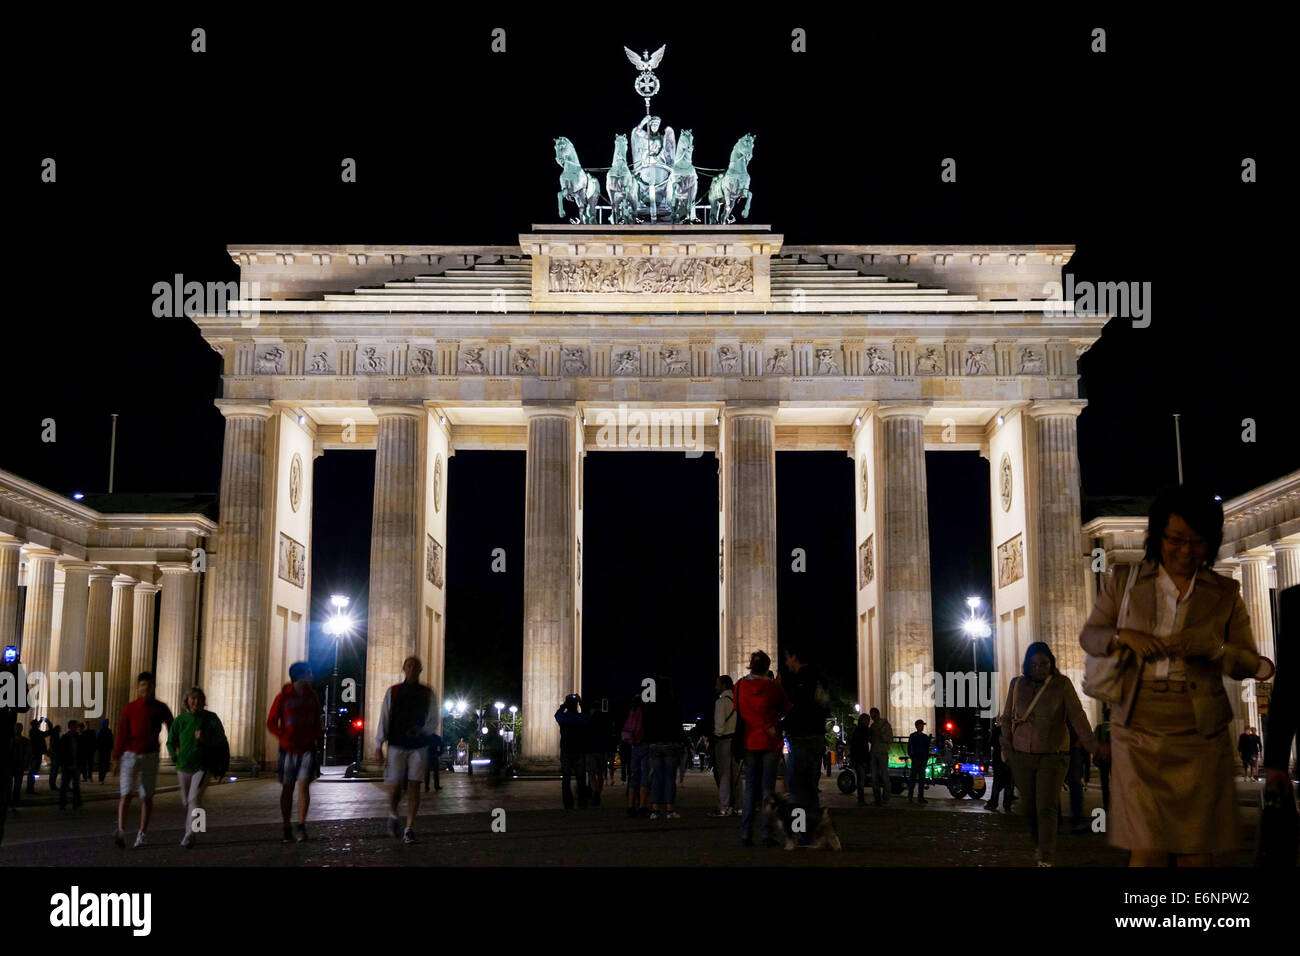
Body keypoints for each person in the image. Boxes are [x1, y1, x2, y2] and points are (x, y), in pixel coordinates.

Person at [1080, 485, 1264, 866]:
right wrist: (1122, 636)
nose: (1185, 551)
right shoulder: (1124, 580)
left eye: (1196, 542)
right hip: (1138, 726)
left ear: (1210, 543)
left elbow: (1248, 662)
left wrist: (1213, 648)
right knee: (1147, 848)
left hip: (1200, 728)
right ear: (1157, 536)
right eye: (1175, 539)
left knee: (1197, 851)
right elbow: (1090, 635)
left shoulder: (1226, 591)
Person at [999, 643, 1103, 866]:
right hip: (1021, 755)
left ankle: (1046, 857)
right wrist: (1006, 751)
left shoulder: (1062, 684)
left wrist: (1093, 746)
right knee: (1028, 807)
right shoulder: (1016, 684)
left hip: (1053, 755)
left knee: (1045, 806)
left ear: (1052, 663)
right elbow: (1006, 718)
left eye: (1044, 663)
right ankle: (1041, 844)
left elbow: (1077, 716)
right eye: (1035, 664)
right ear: (1027, 665)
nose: (1039, 668)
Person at [374, 656, 440, 844]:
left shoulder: (428, 692)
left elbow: (434, 717)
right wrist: (378, 744)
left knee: (414, 786)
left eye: (415, 666)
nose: (412, 669)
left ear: (421, 669)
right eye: (409, 665)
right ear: (403, 668)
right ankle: (393, 814)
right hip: (396, 743)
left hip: (418, 745)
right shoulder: (392, 691)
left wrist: (423, 730)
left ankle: (409, 827)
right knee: (394, 786)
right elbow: (384, 718)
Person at [111, 672, 175, 849]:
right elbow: (123, 732)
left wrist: (175, 747)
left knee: (146, 796)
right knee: (125, 794)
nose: (145, 688)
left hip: (150, 754)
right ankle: (121, 830)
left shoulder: (161, 707)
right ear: (138, 687)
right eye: (142, 685)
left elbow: (172, 726)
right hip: (130, 754)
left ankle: (142, 833)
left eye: (148, 685)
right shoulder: (130, 708)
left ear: (153, 687)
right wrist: (116, 757)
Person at [736, 651, 792, 846]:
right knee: (767, 789)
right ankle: (767, 834)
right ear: (768, 667)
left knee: (750, 787)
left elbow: (739, 711)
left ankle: (746, 833)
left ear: (750, 665)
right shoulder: (773, 688)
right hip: (770, 742)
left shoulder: (740, 686)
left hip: (750, 741)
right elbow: (786, 709)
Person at [266, 661, 322, 843]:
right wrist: (283, 736)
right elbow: (271, 721)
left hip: (306, 748)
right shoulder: (282, 697)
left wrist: (314, 737)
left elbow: (317, 721)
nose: (312, 677)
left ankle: (301, 825)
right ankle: (286, 826)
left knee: (304, 785)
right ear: (301, 676)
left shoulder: (312, 697)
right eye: (309, 673)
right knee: (288, 788)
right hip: (288, 749)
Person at [167, 687, 228, 847]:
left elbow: (220, 740)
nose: (196, 701)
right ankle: (197, 826)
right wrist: (175, 756)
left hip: (203, 764)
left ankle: (191, 834)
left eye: (199, 698)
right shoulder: (180, 720)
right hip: (183, 765)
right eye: (192, 698)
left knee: (194, 798)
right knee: (187, 801)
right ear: (186, 701)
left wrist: (205, 739)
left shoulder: (211, 719)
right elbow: (170, 741)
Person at [781, 645, 829, 845]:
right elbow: (824, 705)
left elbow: (799, 708)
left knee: (796, 787)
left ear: (794, 657)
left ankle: (802, 834)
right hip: (817, 737)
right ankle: (815, 830)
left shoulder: (802, 679)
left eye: (787, 658)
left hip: (803, 738)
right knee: (809, 788)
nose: (786, 663)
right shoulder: (819, 678)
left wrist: (780, 725)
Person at [643, 676, 685, 819]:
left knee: (656, 777)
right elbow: (678, 724)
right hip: (671, 744)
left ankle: (654, 809)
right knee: (669, 777)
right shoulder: (674, 703)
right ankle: (669, 809)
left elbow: (647, 724)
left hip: (655, 743)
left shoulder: (652, 704)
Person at [709, 676, 740, 817]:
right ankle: (737, 806)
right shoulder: (737, 701)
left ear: (724, 685)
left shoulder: (721, 702)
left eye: (717, 684)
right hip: (736, 741)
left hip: (724, 741)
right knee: (736, 776)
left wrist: (715, 735)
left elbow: (719, 726)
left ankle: (724, 806)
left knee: (724, 775)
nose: (715, 687)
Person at [555, 694, 590, 809]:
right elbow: (587, 716)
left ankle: (568, 803)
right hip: (579, 750)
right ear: (576, 705)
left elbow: (557, 715)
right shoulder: (581, 718)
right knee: (581, 778)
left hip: (566, 750)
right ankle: (582, 801)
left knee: (566, 778)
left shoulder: (563, 718)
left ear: (567, 705)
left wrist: (564, 705)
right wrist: (581, 702)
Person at [621, 697, 649, 817]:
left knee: (634, 776)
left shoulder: (631, 712)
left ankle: (630, 806)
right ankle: (642, 806)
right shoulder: (645, 712)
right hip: (645, 745)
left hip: (633, 746)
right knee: (645, 777)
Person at [985, 718, 1015, 811]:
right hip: (1010, 760)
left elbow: (991, 743)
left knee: (996, 783)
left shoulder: (997, 730)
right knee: (1009, 784)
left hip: (998, 760)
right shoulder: (1013, 731)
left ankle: (993, 803)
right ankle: (1007, 805)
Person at [867, 708, 893, 806]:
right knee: (874, 777)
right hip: (874, 753)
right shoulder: (872, 726)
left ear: (878, 714)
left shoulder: (885, 725)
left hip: (882, 753)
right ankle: (877, 798)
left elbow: (890, 739)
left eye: (874, 716)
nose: (873, 718)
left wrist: (881, 735)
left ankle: (885, 798)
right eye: (872, 716)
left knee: (884, 776)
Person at [56, 720, 82, 810]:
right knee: (64, 785)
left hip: (76, 764)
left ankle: (76, 803)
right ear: (69, 727)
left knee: (76, 785)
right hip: (67, 765)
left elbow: (82, 751)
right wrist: (62, 763)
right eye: (73, 726)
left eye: (76, 726)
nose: (75, 728)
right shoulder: (65, 738)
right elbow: (61, 751)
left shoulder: (79, 738)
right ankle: (62, 803)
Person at [849, 714, 871, 805]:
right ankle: (860, 800)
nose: (867, 722)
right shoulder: (861, 731)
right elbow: (857, 746)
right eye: (866, 720)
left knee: (861, 779)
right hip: (860, 758)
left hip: (861, 757)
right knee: (861, 779)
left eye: (868, 720)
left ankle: (861, 799)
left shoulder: (861, 730)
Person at [907, 719, 931, 803]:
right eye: (921, 725)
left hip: (920, 759)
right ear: (917, 726)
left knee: (919, 779)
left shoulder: (920, 736)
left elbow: (927, 748)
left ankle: (917, 797)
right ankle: (914, 797)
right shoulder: (918, 736)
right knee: (915, 778)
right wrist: (912, 756)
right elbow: (909, 748)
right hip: (917, 759)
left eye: (923, 725)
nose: (922, 727)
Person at [1094, 706, 1112, 814]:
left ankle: (1106, 804)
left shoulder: (1099, 728)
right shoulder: (1118, 728)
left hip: (1103, 759)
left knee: (1104, 783)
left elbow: (1095, 743)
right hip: (1116, 760)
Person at [95, 719, 113, 783]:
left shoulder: (108, 731)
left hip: (106, 750)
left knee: (104, 764)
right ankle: (101, 778)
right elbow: (97, 741)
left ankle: (102, 777)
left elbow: (111, 740)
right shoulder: (101, 731)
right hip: (102, 750)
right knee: (102, 765)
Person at [46, 723, 61, 791]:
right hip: (55, 755)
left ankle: (51, 784)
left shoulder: (53, 735)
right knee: (54, 770)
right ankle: (52, 784)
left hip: (53, 754)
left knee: (53, 770)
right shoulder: (56, 735)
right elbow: (55, 746)